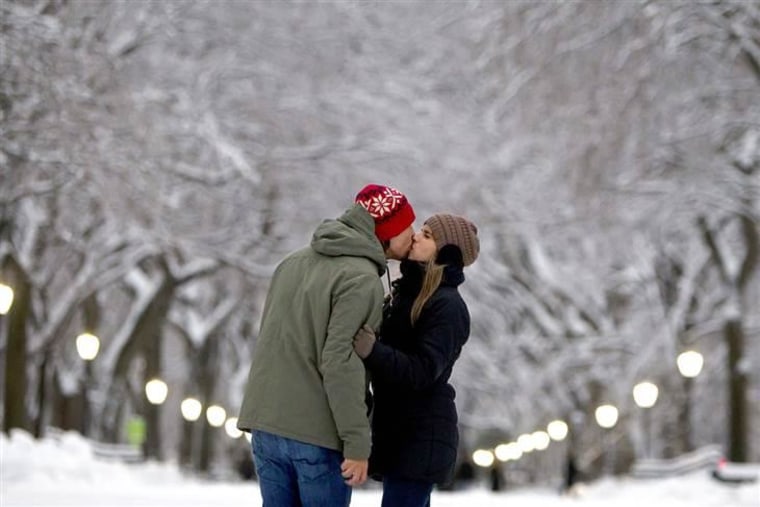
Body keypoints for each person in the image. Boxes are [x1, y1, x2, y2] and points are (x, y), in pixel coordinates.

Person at [236, 184, 416, 507]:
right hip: (315, 437)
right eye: (408, 227)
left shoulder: (290, 263)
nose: (413, 236)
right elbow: (340, 361)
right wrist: (357, 443)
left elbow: (271, 341)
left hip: (266, 427)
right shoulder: (361, 279)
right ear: (386, 232)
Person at [353, 213, 480, 507]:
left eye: (427, 234)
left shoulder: (447, 306)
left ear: (445, 252)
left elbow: (423, 370)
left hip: (421, 435)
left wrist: (373, 350)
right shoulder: (411, 293)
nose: (415, 237)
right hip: (401, 432)